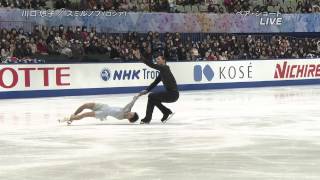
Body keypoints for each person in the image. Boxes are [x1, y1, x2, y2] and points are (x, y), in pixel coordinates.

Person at [138, 53, 179, 124]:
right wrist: (146, 90)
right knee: (152, 98)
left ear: (164, 60)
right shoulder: (162, 72)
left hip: (173, 94)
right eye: (156, 59)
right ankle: (165, 112)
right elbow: (155, 83)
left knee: (151, 96)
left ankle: (163, 113)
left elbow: (152, 65)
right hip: (170, 94)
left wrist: (141, 58)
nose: (157, 61)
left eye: (158, 59)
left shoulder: (165, 68)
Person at [59, 95, 140, 125]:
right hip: (104, 106)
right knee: (85, 105)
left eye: (131, 114)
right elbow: (131, 103)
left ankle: (68, 118)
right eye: (132, 112)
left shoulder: (122, 115)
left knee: (84, 115)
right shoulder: (127, 110)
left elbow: (129, 105)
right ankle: (73, 116)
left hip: (102, 113)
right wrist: (137, 97)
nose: (130, 112)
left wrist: (134, 100)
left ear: (130, 119)